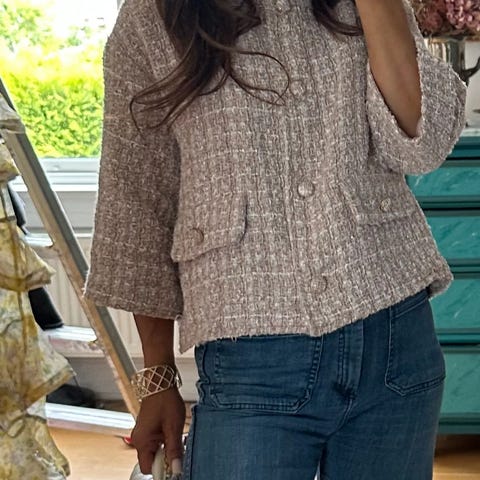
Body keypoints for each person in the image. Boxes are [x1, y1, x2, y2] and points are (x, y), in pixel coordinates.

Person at [84, 0, 467, 478]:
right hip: (250, 355)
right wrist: (157, 377)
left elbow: (423, 142)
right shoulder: (153, 17)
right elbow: (138, 204)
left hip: (394, 336)